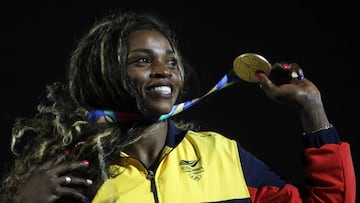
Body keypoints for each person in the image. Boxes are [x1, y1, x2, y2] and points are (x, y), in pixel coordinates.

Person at [0, 10, 356, 203]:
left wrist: (312, 109)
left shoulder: (222, 156)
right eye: (142, 61)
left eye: (170, 62)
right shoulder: (75, 170)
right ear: (105, 73)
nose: (163, 71)